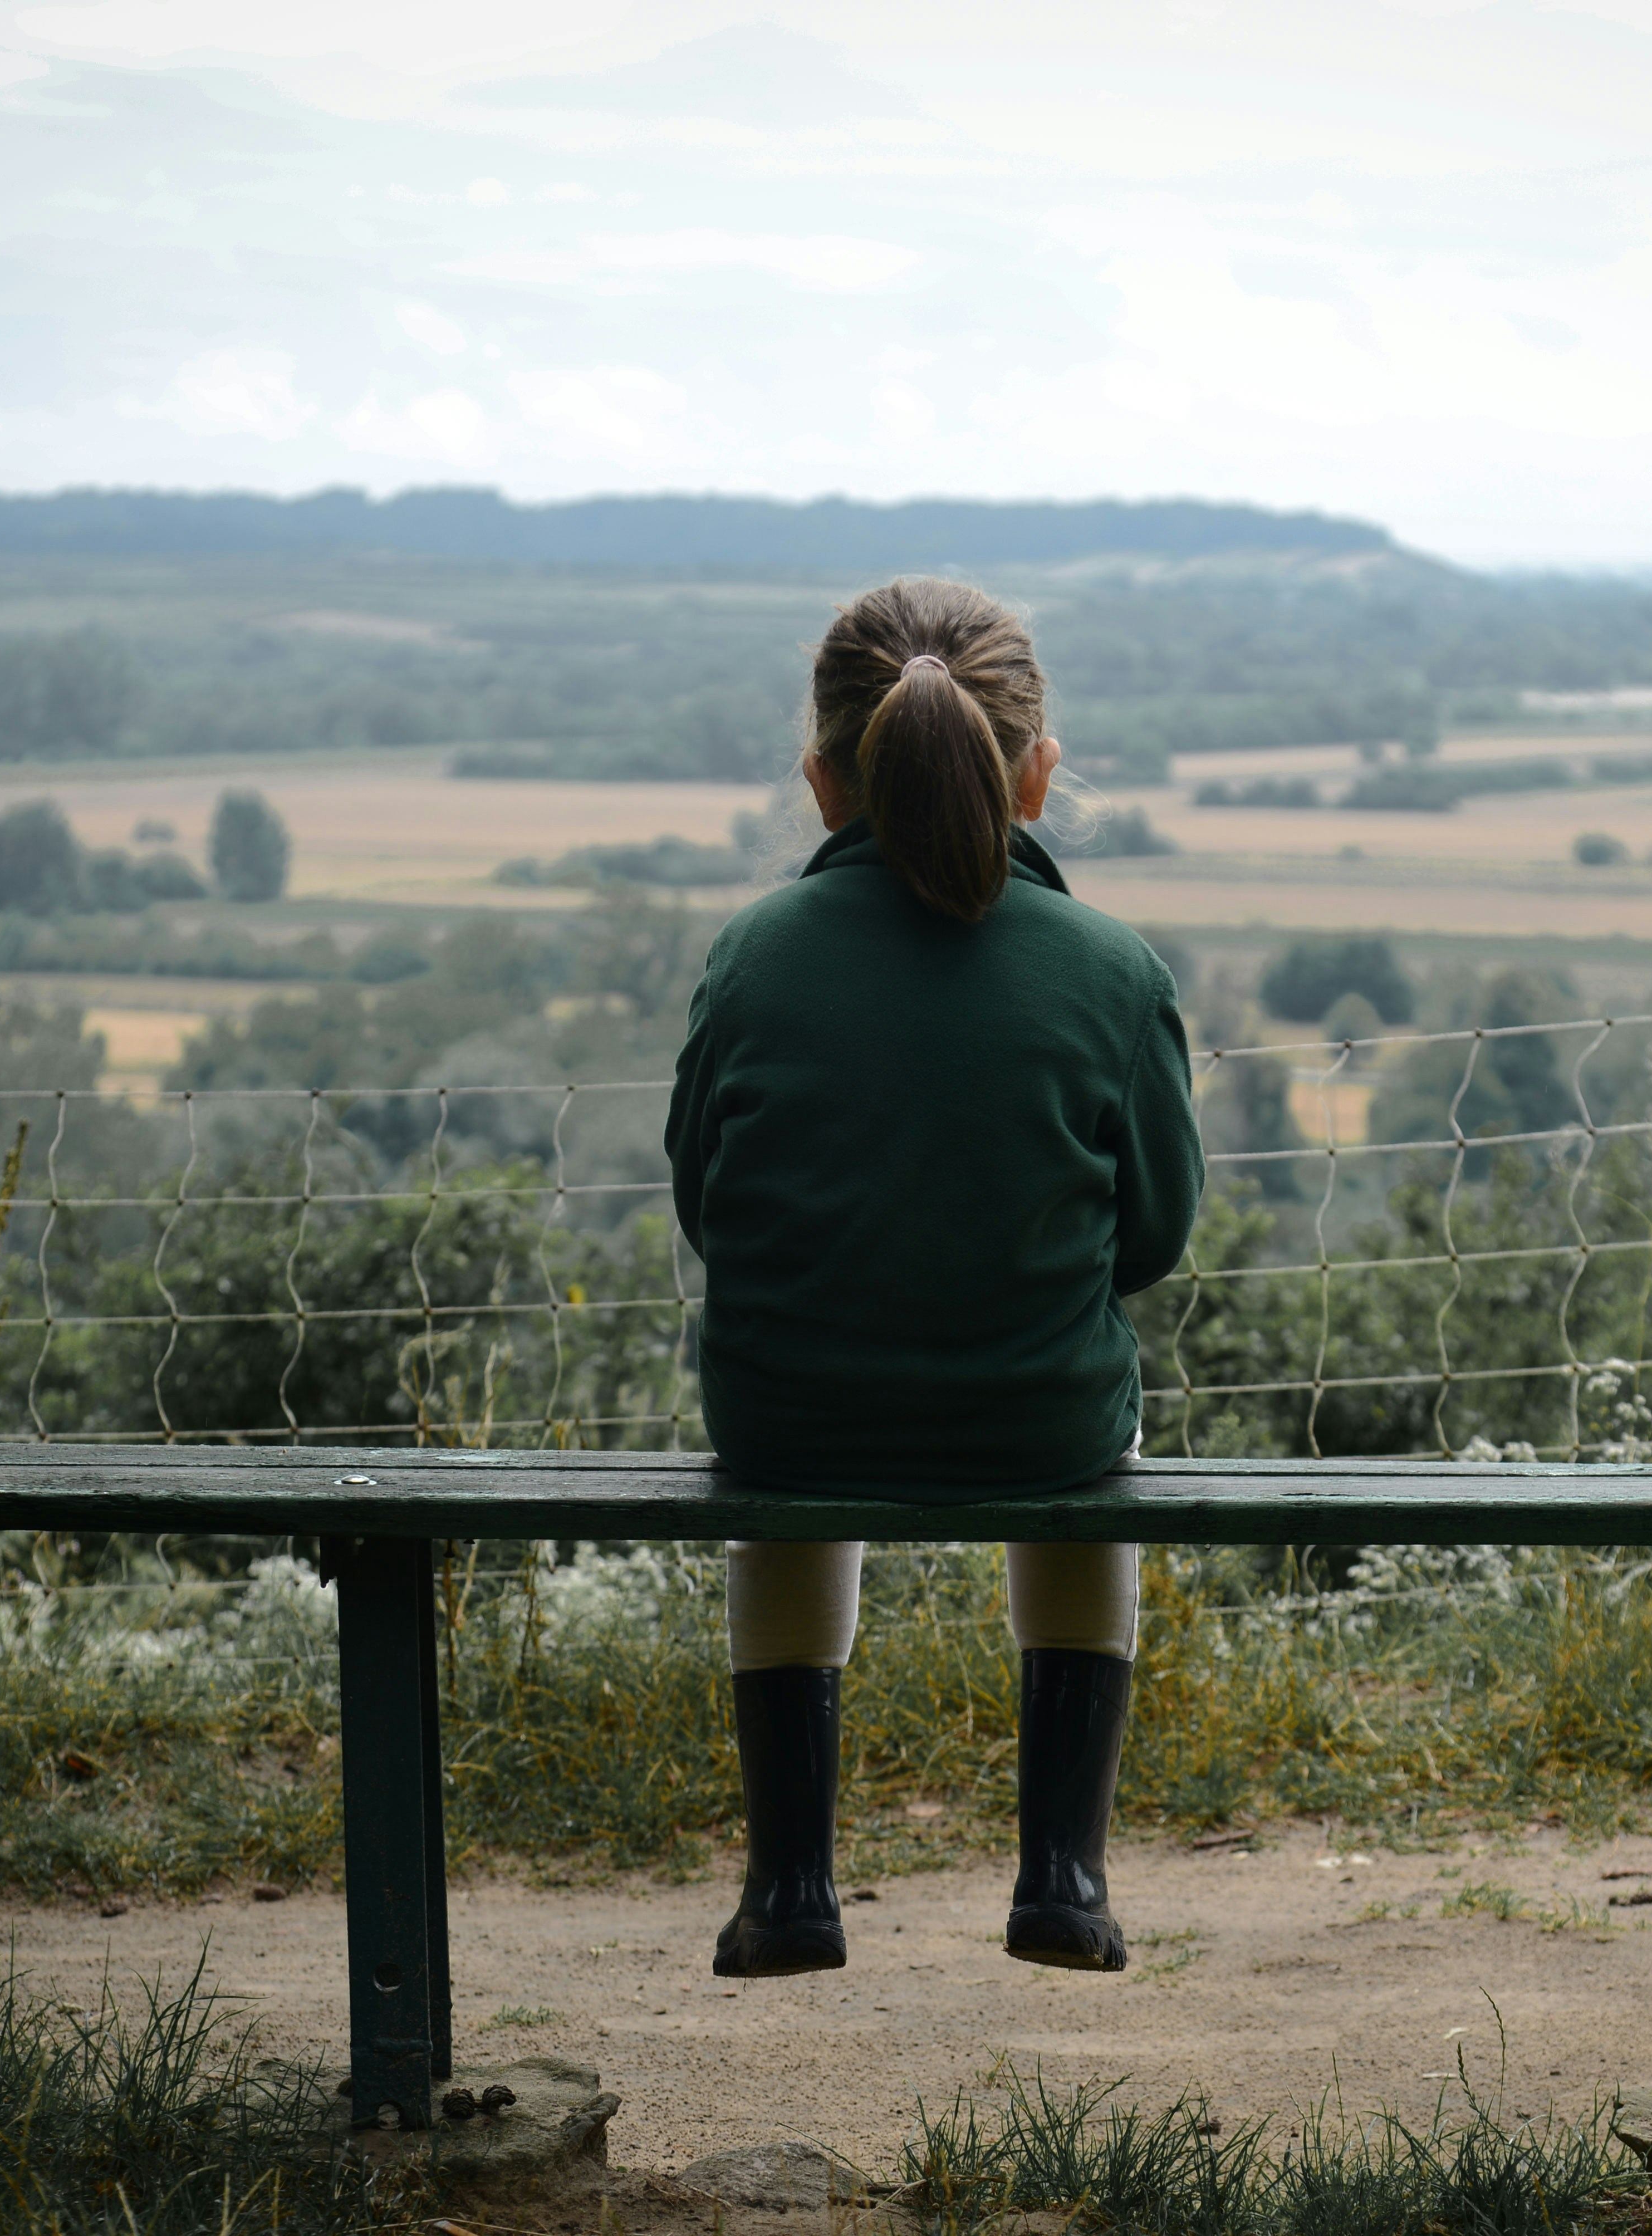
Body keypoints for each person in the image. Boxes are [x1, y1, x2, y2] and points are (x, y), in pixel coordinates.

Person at [665, 577, 1204, 1979]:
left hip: (790, 1420)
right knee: (1100, 1450)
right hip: (1039, 1420)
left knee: (790, 1440)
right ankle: (1062, 1877)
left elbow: (707, 1211)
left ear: (822, 780)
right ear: (1036, 772)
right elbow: (1150, 1238)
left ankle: (788, 1886)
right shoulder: (1108, 968)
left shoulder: (751, 957)